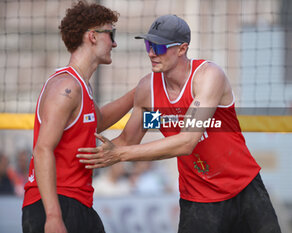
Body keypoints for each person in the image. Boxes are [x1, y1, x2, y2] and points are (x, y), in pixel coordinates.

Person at [78, 14, 281, 233]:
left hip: (243, 189)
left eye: (159, 47)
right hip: (198, 199)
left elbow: (186, 141)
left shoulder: (207, 76)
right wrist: (77, 158)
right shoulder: (149, 91)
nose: (151, 53)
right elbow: (126, 141)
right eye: (148, 44)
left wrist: (120, 154)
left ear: (182, 49)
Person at [22, 1, 135, 233]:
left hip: (77, 203)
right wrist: (53, 216)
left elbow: (98, 120)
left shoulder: (80, 87)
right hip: (55, 204)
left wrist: (139, 92)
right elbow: (42, 149)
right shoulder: (67, 86)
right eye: (110, 34)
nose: (114, 42)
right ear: (92, 36)